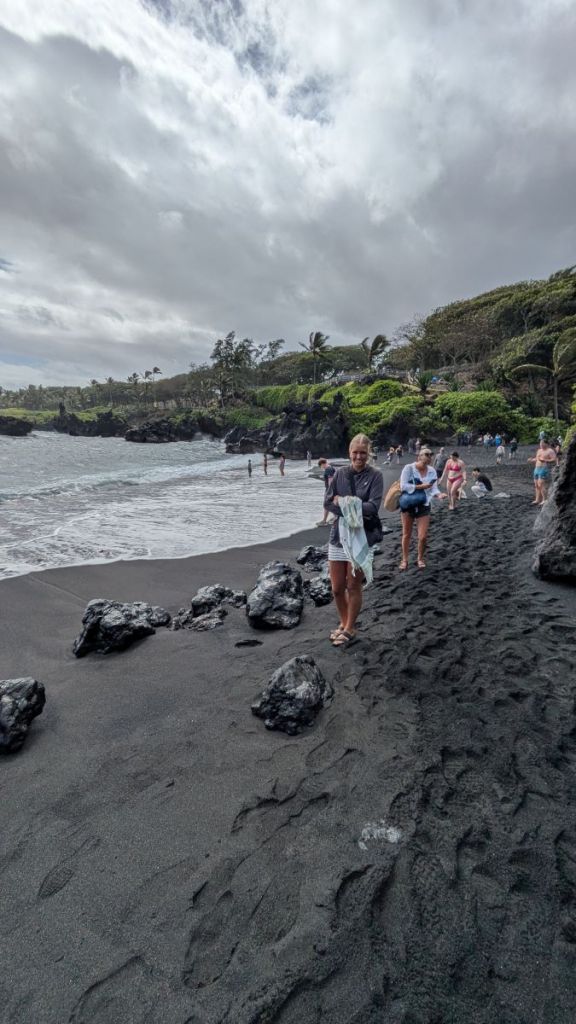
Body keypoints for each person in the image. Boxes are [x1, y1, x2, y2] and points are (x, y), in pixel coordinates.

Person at [324, 434, 383, 648]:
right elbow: (328, 503)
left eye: (363, 453)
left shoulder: (375, 476)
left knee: (353, 585)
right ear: (349, 453)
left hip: (362, 537)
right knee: (337, 588)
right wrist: (347, 505)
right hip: (338, 536)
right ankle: (343, 621)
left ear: (368, 454)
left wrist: (346, 502)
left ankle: (350, 627)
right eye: (355, 452)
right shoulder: (339, 474)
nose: (359, 457)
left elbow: (373, 507)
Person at [399, 447, 447, 570]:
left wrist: (439, 494)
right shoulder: (409, 468)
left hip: (424, 504)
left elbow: (433, 488)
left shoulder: (432, 470)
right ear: (419, 456)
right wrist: (420, 486)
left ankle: (420, 558)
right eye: (426, 454)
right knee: (406, 534)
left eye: (431, 455)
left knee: (423, 536)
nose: (429, 457)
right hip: (408, 504)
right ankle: (404, 559)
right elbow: (403, 486)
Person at [528, 439, 557, 505]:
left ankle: (544, 500)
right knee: (536, 485)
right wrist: (531, 460)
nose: (541, 445)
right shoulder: (539, 450)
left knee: (541, 484)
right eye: (540, 444)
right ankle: (537, 500)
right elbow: (536, 459)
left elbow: (554, 459)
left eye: (542, 444)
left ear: (546, 444)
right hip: (536, 468)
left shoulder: (550, 451)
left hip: (544, 468)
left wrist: (545, 460)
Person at [316, 458, 336, 526]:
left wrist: (329, 492)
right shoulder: (331, 468)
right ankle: (335, 517)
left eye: (320, 466)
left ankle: (324, 521)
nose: (321, 468)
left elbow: (331, 480)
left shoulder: (328, 469)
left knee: (326, 504)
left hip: (330, 490)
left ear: (322, 464)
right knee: (331, 504)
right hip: (333, 490)